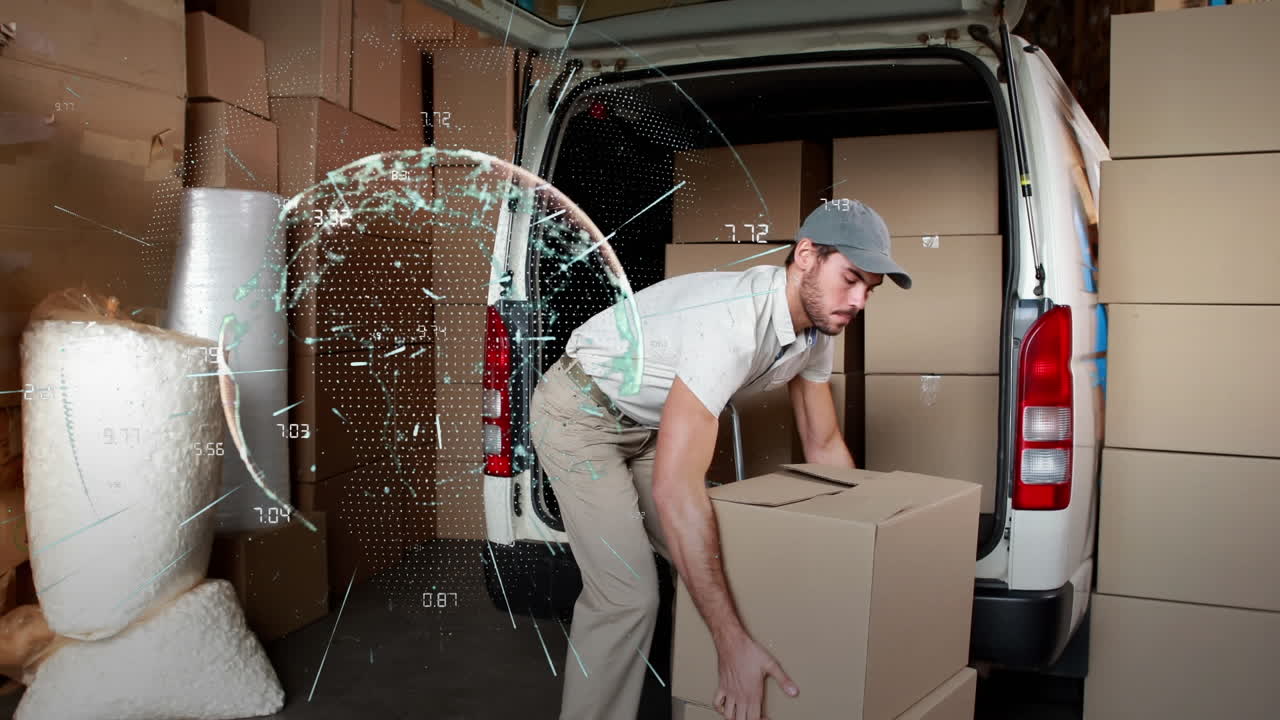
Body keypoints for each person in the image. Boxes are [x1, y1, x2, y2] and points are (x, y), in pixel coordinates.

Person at [530, 199, 912, 720]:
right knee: (628, 596)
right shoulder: (730, 324)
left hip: (648, 427)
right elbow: (675, 492)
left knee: (723, 561)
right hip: (581, 415)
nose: (859, 300)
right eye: (850, 278)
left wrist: (869, 552)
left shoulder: (817, 330)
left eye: (869, 288)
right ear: (805, 256)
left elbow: (823, 446)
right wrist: (730, 644)